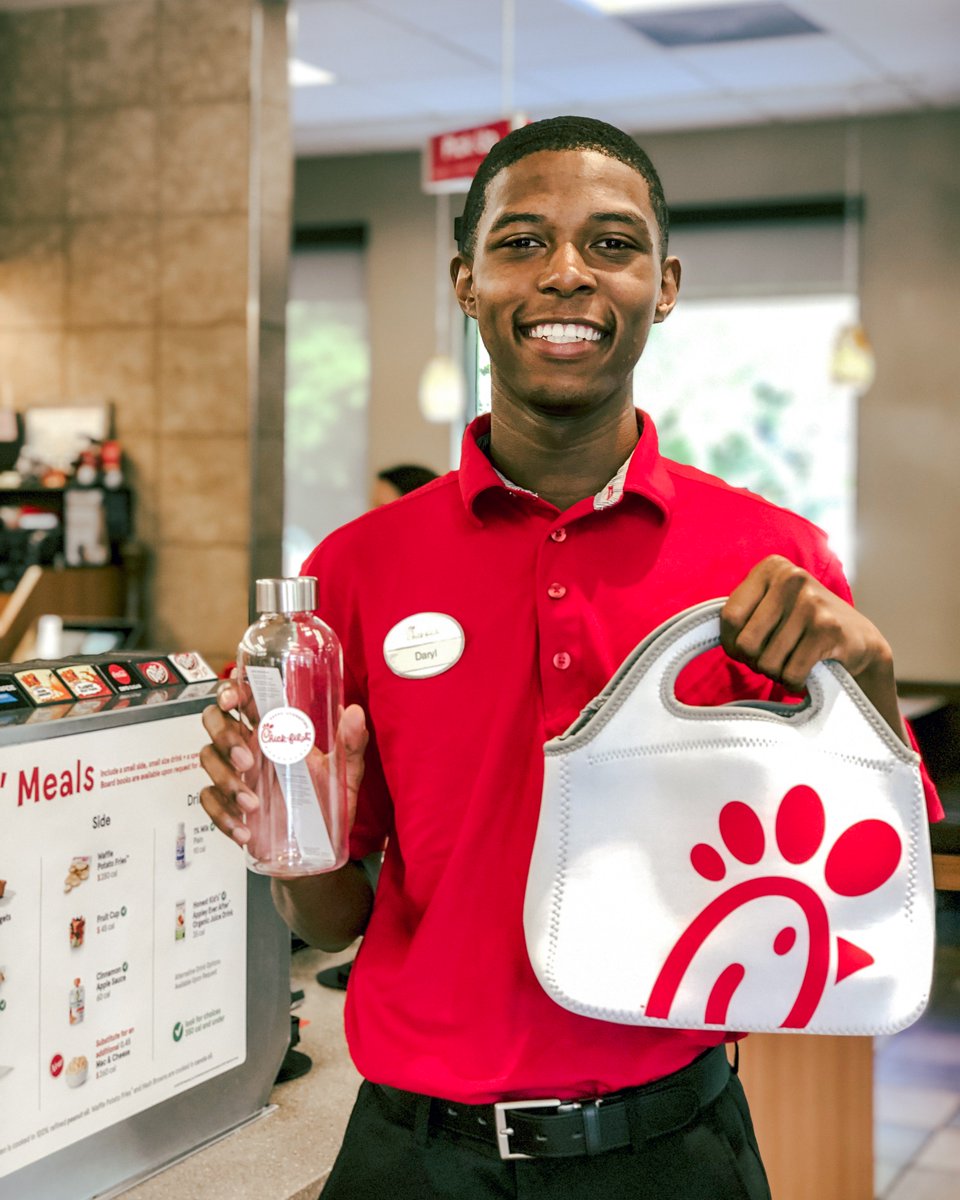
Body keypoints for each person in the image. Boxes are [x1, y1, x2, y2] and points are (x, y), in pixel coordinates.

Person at [200, 116, 941, 1199]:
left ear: (664, 285)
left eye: (612, 243)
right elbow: (336, 913)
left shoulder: (773, 558)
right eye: (520, 242)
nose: (565, 274)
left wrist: (866, 673)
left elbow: (873, 876)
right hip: (414, 1155)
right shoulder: (355, 570)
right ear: (465, 282)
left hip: (675, 1148)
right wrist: (289, 836)